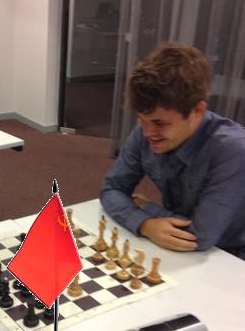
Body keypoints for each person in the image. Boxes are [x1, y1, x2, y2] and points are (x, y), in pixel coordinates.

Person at [100, 42, 245, 260]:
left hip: (231, 257)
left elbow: (199, 236)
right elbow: (111, 189)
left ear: (197, 110)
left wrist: (146, 207)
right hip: (177, 247)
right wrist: (145, 224)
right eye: (141, 119)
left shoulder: (233, 150)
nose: (147, 132)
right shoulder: (147, 129)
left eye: (160, 123)